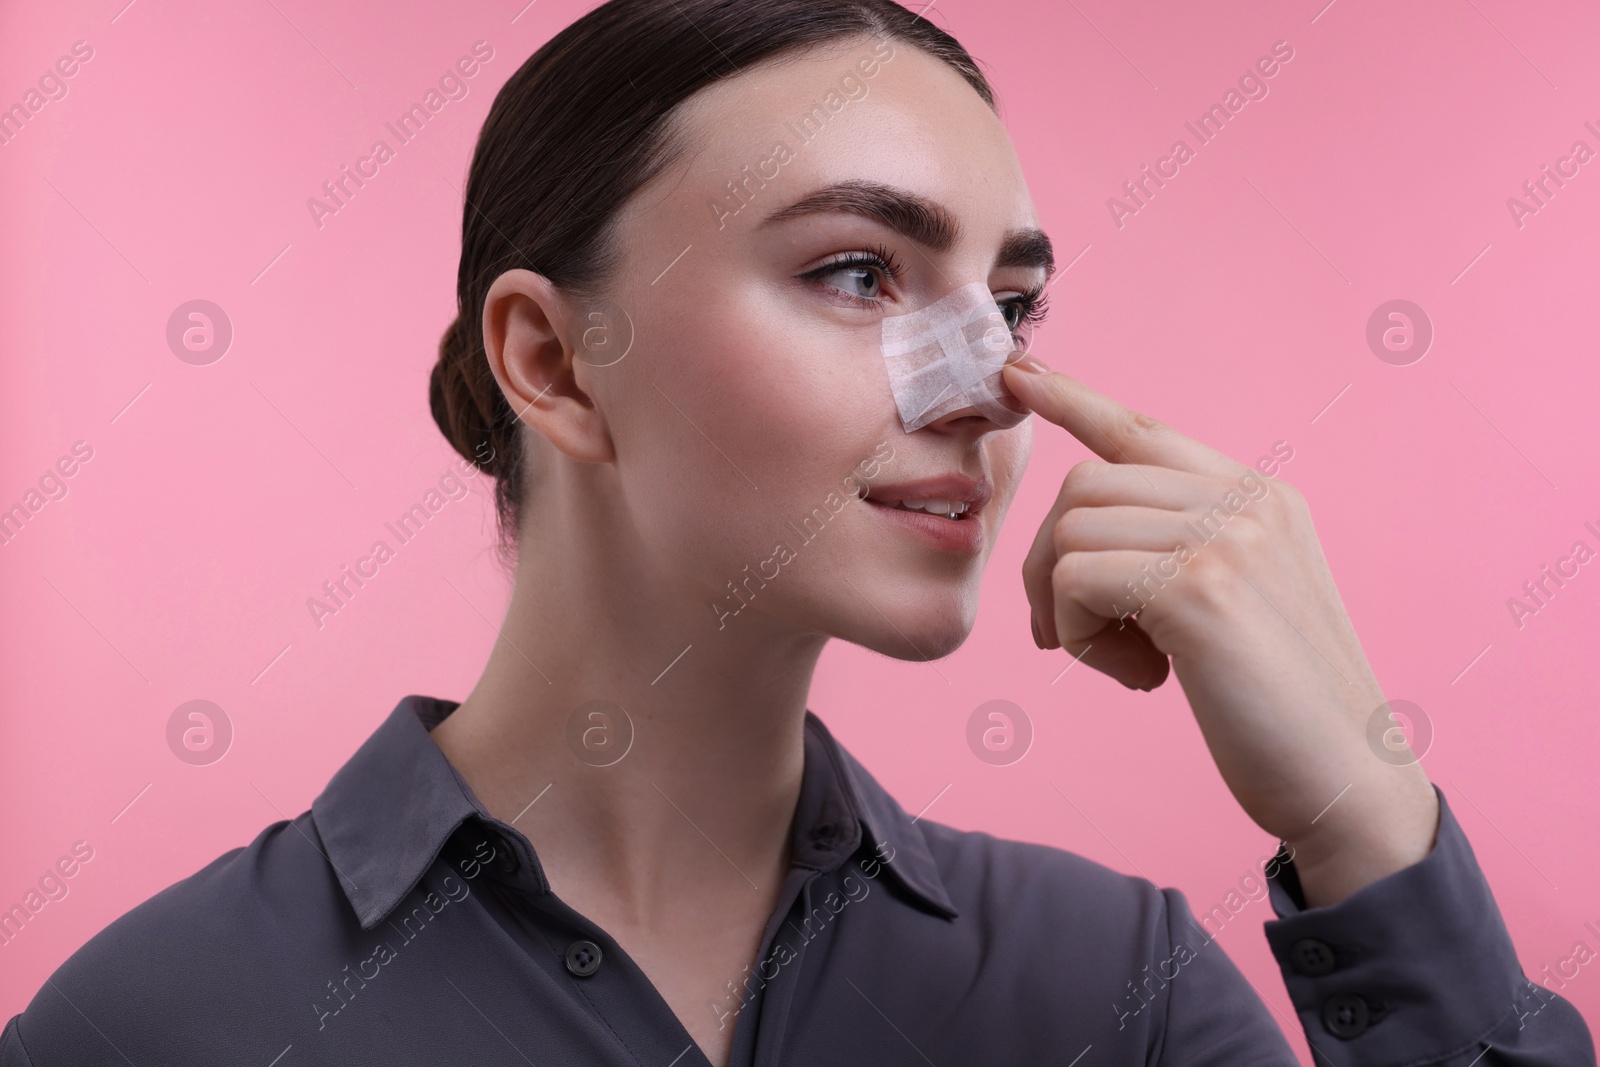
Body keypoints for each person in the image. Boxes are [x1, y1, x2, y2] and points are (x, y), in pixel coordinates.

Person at [4, 1, 1593, 1064]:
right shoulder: (159, 1024)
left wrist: (1367, 819)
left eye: (1013, 299)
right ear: (553, 363)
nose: (994, 383)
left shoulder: (1116, 987)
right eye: (857, 272)